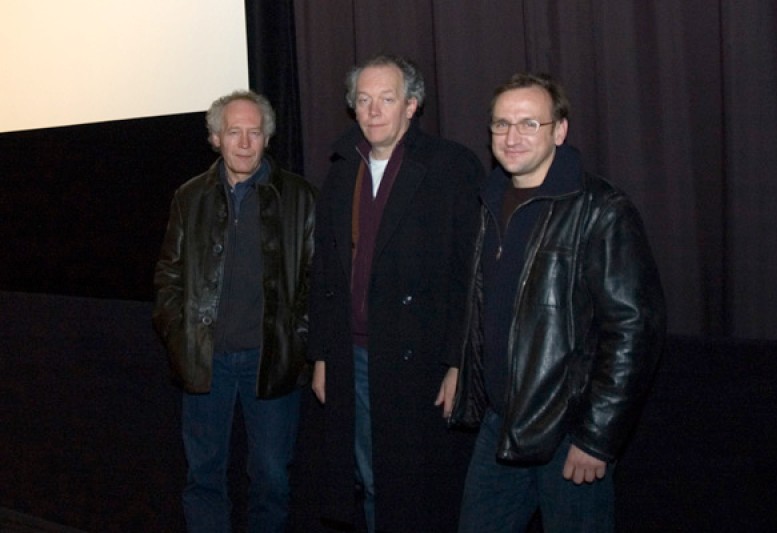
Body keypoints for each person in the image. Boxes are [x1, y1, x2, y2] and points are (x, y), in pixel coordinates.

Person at [450, 73, 666, 532]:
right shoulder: (489, 199)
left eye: (529, 123)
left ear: (560, 130)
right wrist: (463, 370)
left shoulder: (602, 209)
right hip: (500, 423)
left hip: (569, 434)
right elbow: (487, 306)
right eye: (502, 124)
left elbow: (633, 331)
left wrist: (597, 437)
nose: (512, 137)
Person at [308, 54, 484, 532]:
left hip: (422, 358)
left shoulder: (451, 167)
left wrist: (459, 362)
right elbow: (325, 273)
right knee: (369, 479)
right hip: (353, 356)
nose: (373, 111)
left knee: (417, 487)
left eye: (387, 99)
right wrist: (323, 354)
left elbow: (470, 275)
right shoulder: (342, 169)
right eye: (363, 100)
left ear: (412, 105)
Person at [152, 90, 316, 533]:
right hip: (206, 363)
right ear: (215, 138)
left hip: (272, 363)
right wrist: (180, 337)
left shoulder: (300, 196)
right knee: (204, 475)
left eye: (254, 132)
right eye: (233, 132)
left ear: (267, 138)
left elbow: (316, 283)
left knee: (272, 478)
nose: (244, 143)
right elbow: (168, 275)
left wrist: (298, 343)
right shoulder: (189, 197)